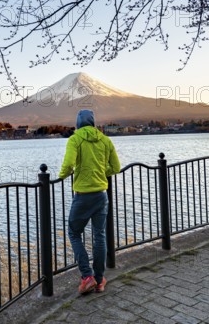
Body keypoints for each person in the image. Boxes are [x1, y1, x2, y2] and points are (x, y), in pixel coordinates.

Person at [59, 109, 121, 294]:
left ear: (78, 124)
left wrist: (62, 175)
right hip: (102, 194)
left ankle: (87, 276)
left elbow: (69, 164)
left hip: (83, 196)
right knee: (99, 235)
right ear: (93, 124)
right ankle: (100, 280)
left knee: (74, 232)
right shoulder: (105, 140)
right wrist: (101, 173)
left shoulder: (75, 139)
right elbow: (116, 167)